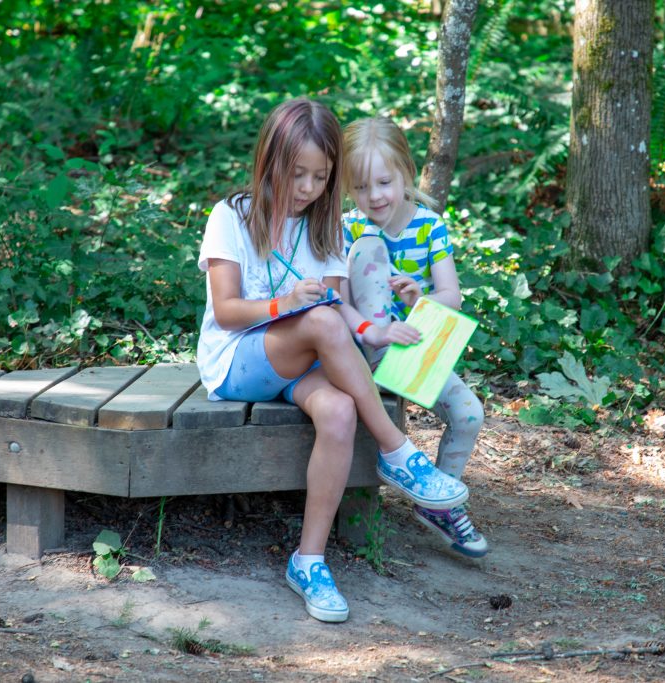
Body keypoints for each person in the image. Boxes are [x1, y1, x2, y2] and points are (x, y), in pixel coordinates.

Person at [196, 99, 469, 623]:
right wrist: (287, 305)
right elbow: (229, 312)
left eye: (321, 177)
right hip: (238, 362)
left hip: (296, 363)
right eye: (297, 173)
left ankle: (309, 560)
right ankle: (397, 452)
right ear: (269, 159)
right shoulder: (232, 216)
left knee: (340, 411)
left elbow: (340, 312)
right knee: (318, 319)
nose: (306, 188)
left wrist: (375, 327)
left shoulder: (323, 229)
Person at [336, 116, 488, 559]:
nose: (374, 196)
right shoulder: (350, 229)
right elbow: (338, 304)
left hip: (413, 353)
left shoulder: (429, 225)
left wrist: (422, 297)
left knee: (469, 415)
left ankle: (439, 503)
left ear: (405, 171)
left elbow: (452, 297)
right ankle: (376, 367)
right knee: (370, 249)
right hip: (366, 354)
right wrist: (374, 325)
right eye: (361, 187)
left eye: (384, 182)